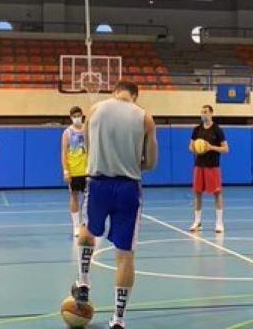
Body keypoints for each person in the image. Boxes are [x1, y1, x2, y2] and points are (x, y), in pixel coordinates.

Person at [70, 80, 158, 329]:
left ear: (115, 91)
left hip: (98, 183)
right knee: (125, 255)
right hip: (128, 188)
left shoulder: (96, 110)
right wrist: (130, 162)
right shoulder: (145, 118)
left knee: (87, 229)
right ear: (135, 95)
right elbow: (151, 162)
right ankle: (118, 319)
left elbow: (87, 147)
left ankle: (84, 281)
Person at [189, 104, 229, 234]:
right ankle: (197, 222)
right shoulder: (196, 129)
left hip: (213, 166)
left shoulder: (217, 130)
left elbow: (226, 149)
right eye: (201, 112)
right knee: (197, 193)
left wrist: (211, 147)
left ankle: (219, 222)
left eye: (205, 112)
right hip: (199, 165)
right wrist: (196, 148)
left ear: (211, 113)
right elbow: (190, 147)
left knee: (217, 193)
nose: (203, 114)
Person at [62, 106, 88, 237]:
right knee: (74, 196)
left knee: (89, 198)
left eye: (79, 115)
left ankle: (87, 223)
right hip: (74, 170)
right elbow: (64, 152)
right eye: (74, 116)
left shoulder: (87, 130)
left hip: (88, 169)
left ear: (82, 115)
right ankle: (76, 226)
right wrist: (66, 170)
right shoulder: (67, 132)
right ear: (71, 117)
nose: (77, 118)